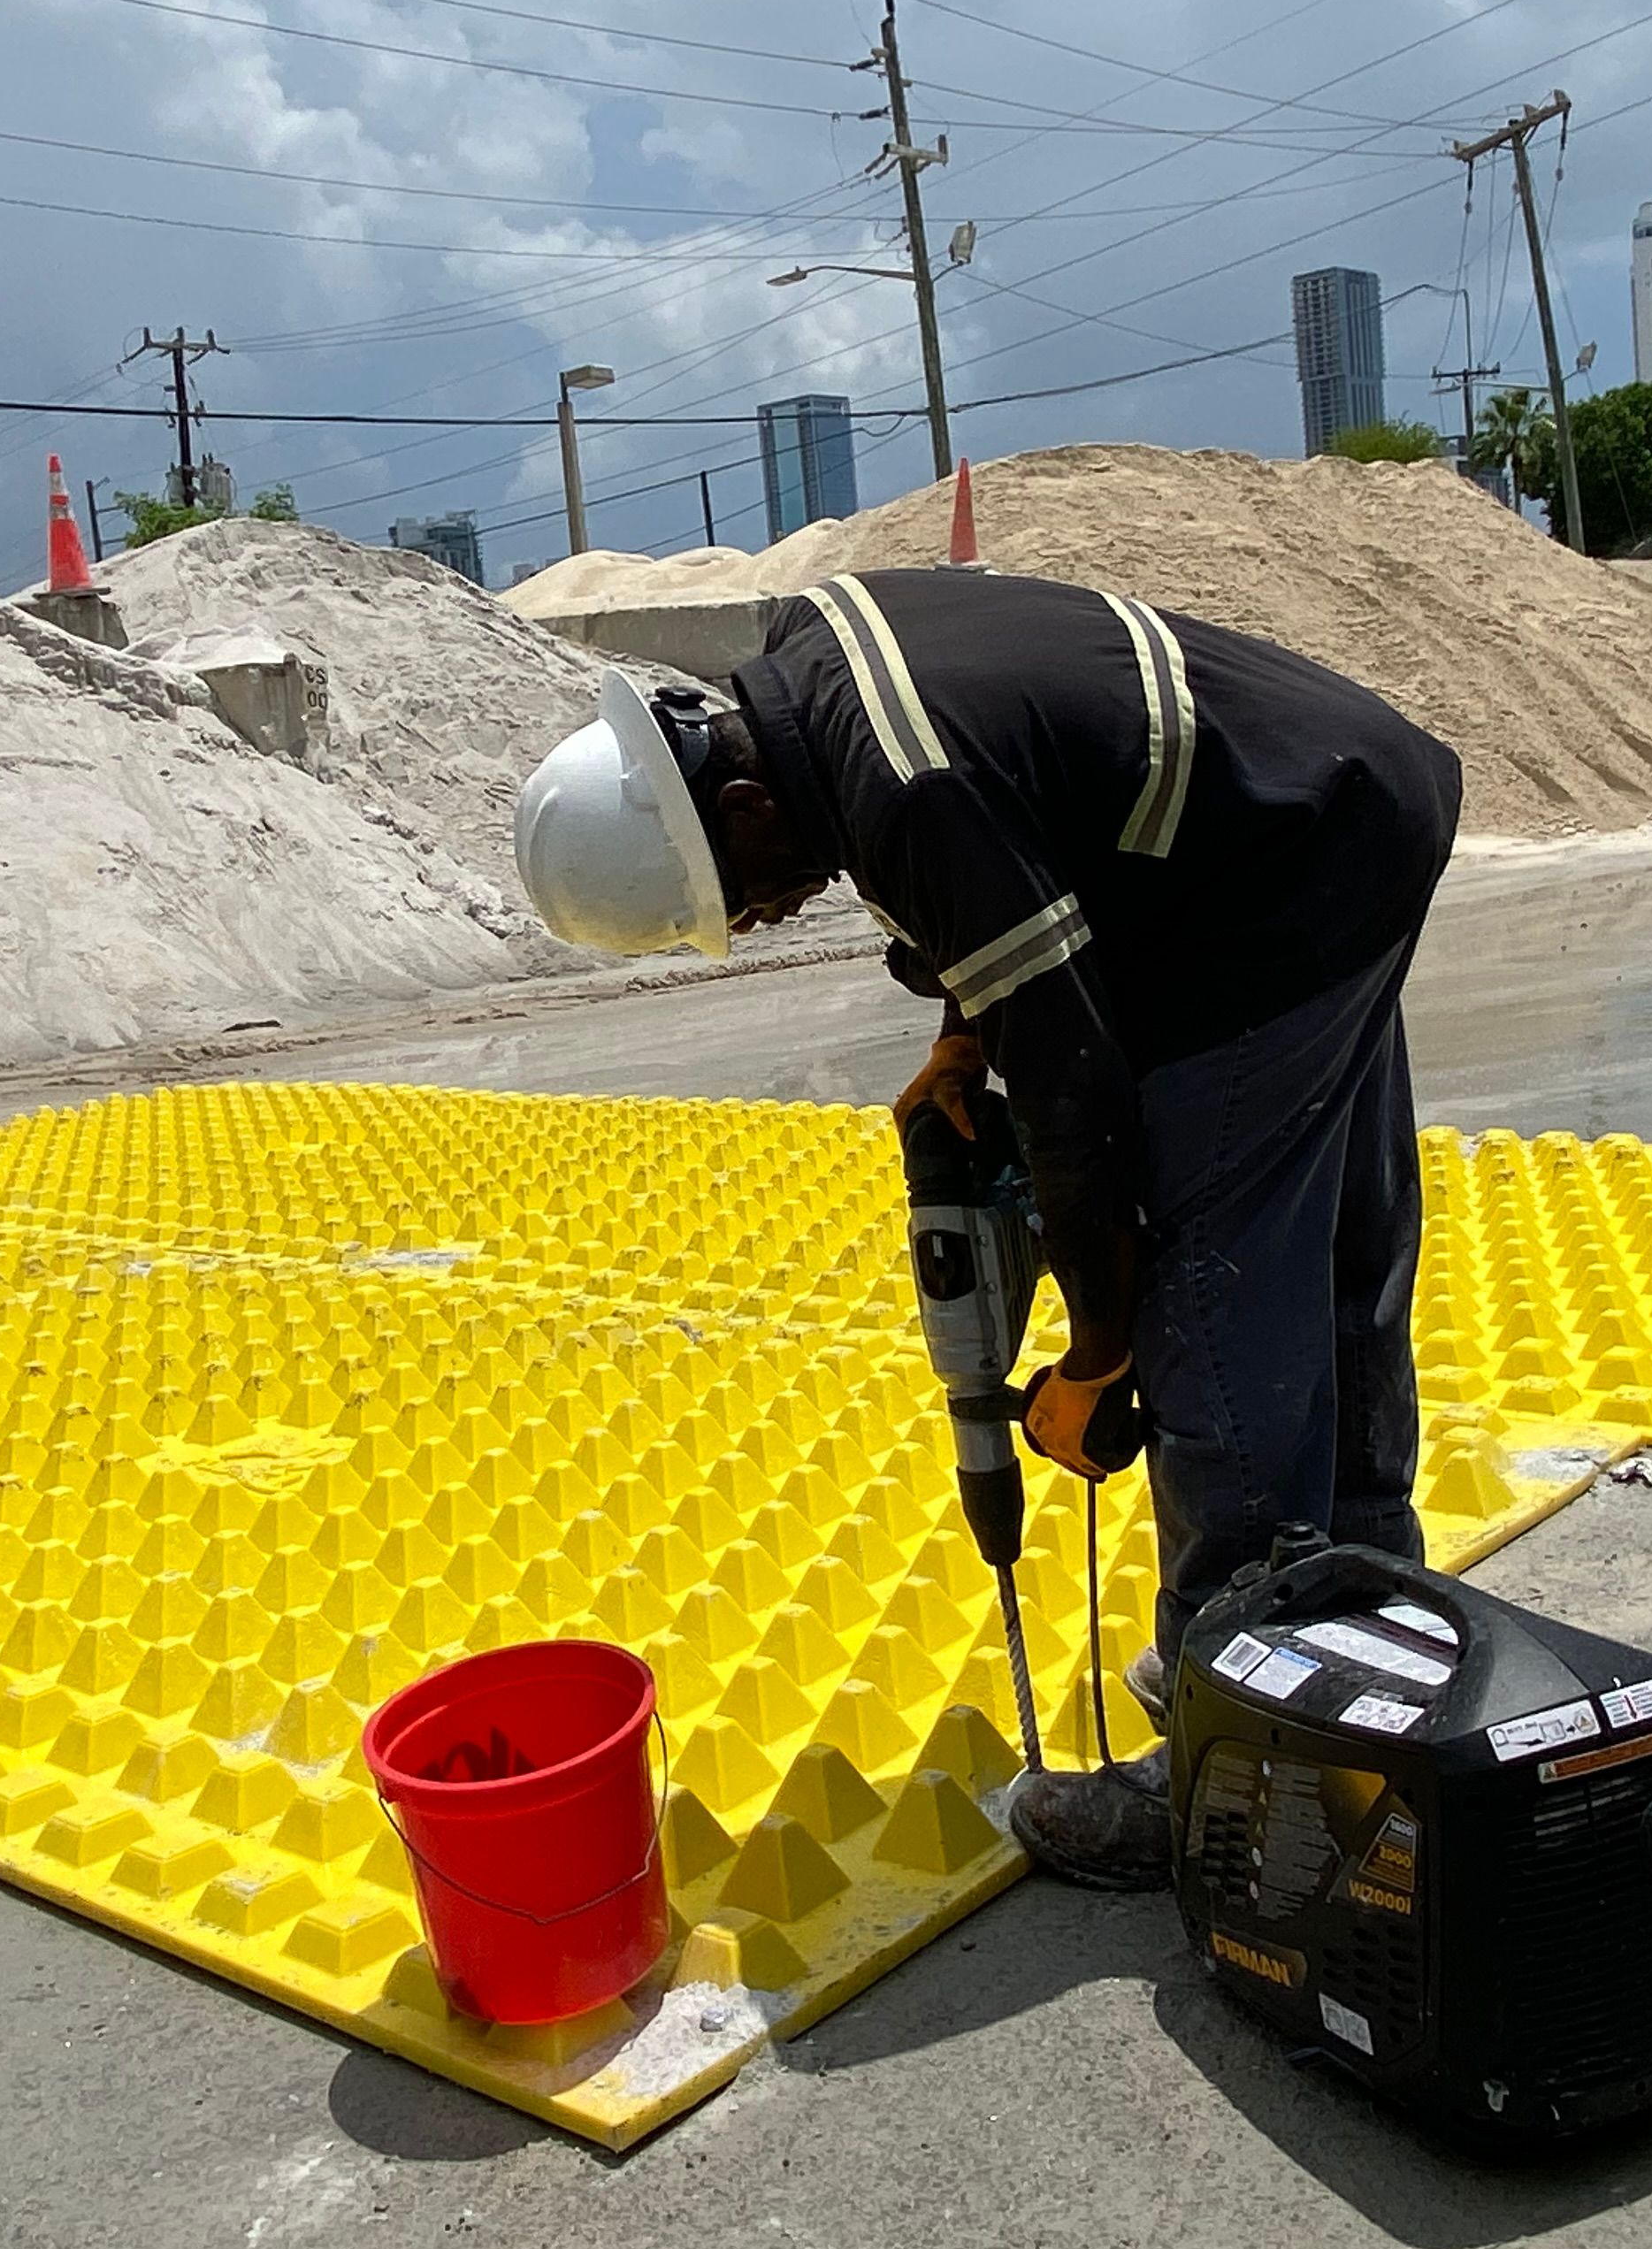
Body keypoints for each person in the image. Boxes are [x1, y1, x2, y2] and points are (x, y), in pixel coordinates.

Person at [511, 566, 1463, 1887]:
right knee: (1339, 1237)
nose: (774, 915)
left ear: (738, 804)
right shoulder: (813, 650)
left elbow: (1076, 1101)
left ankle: (1228, 1775)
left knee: (1216, 1292)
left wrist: (1101, 1352)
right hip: (1328, 813)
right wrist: (969, 1030)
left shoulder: (907, 793)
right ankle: (1350, 1621)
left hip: (1277, 886)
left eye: (750, 898)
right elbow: (1033, 836)